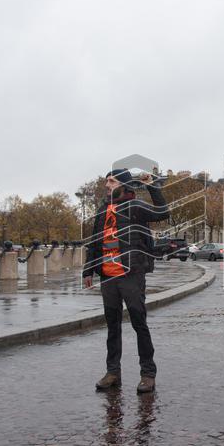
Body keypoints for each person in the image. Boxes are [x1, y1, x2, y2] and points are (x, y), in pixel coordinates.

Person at [84, 168, 169, 393]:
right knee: (112, 326)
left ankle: (148, 374)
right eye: (106, 181)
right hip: (108, 276)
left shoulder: (135, 206)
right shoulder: (103, 209)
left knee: (139, 323)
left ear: (123, 184)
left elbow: (162, 212)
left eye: (111, 181)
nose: (107, 185)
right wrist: (88, 270)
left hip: (131, 274)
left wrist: (153, 186)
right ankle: (113, 373)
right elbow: (95, 241)